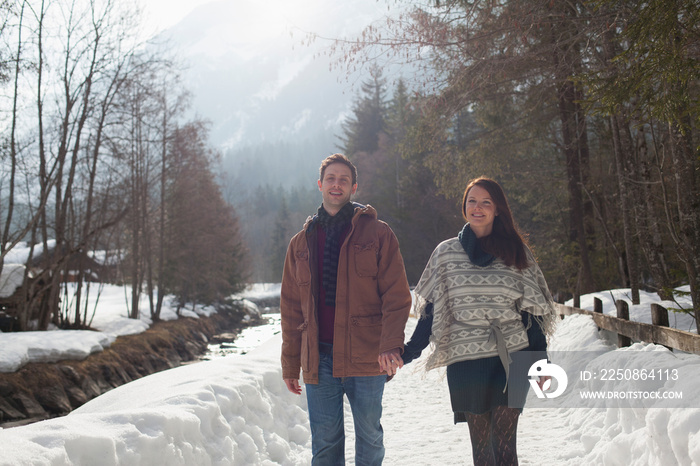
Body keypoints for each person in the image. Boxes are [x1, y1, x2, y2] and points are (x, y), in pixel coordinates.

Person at [398, 176, 557, 466]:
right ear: (464, 207)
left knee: (506, 449)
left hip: (512, 358)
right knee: (483, 452)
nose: (478, 208)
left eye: (486, 202)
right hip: (465, 360)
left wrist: (540, 363)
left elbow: (532, 316)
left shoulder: (516, 253)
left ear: (498, 210)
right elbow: (432, 311)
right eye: (472, 201)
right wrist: (411, 350)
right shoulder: (445, 253)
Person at [280, 153, 412, 465]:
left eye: (343, 180)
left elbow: (396, 295)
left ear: (354, 187)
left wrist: (390, 345)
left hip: (366, 357)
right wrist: (290, 363)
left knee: (370, 438)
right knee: (324, 444)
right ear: (320, 185)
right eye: (330, 179)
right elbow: (290, 309)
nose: (336, 184)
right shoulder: (300, 243)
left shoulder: (378, 234)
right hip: (318, 359)